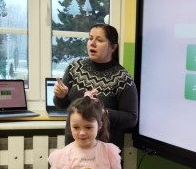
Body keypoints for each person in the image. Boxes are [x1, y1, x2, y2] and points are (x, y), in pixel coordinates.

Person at [53, 23, 138, 152]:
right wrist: (61, 96)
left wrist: (102, 112)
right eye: (90, 38)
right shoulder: (74, 68)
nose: (92, 43)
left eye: (99, 40)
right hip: (74, 150)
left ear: (113, 47)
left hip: (105, 153)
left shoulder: (122, 78)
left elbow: (131, 119)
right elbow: (61, 105)